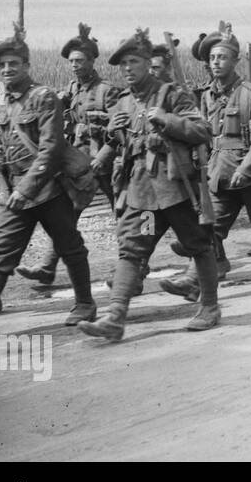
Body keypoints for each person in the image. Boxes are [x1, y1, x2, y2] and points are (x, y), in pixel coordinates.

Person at [0, 25, 95, 335]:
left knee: (69, 245)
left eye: (13, 64)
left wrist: (27, 188)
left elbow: (51, 150)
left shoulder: (43, 97)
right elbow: (1, 149)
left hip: (48, 190)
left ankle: (85, 302)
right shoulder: (3, 100)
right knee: (0, 251)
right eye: (1, 65)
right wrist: (5, 187)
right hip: (15, 191)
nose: (6, 69)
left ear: (27, 66)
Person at [77, 29, 218, 341]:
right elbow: (125, 146)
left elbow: (203, 130)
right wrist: (114, 135)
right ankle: (114, 317)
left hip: (175, 188)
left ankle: (209, 307)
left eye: (134, 62)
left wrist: (166, 119)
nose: (128, 68)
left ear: (147, 62)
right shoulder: (123, 101)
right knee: (131, 251)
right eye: (123, 64)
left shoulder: (171, 94)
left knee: (198, 245)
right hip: (142, 192)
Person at [160, 22, 251, 303]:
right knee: (209, 229)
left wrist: (245, 169)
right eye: (213, 58)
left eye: (223, 57)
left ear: (235, 61)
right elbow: (203, 134)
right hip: (217, 173)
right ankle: (195, 280)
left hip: (249, 174)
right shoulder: (207, 96)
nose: (216, 62)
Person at [12, 23, 121, 285]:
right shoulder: (71, 90)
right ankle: (48, 267)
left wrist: (103, 157)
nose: (74, 65)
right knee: (67, 215)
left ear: (93, 61)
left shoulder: (108, 91)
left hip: (105, 164)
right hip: (78, 166)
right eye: (71, 61)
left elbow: (119, 130)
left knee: (124, 215)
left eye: (80, 60)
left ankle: (133, 272)